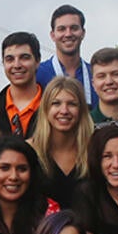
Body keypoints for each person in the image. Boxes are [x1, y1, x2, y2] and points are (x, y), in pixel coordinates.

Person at [28, 77, 95, 209]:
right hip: (42, 228)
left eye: (72, 104)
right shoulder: (28, 151)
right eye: (56, 103)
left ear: (81, 110)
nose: (64, 111)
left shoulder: (94, 150)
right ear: (45, 109)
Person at [35, 4, 98, 106]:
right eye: (61, 29)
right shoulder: (38, 74)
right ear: (53, 35)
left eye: (74, 28)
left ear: (83, 33)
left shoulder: (96, 75)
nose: (68, 34)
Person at [0, 32, 43, 137]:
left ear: (37, 61)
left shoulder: (56, 109)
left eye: (24, 57)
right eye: (10, 59)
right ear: (3, 63)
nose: (17, 65)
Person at [89, 47, 118, 123]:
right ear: (93, 84)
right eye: (101, 76)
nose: (109, 82)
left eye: (116, 74)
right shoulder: (84, 125)